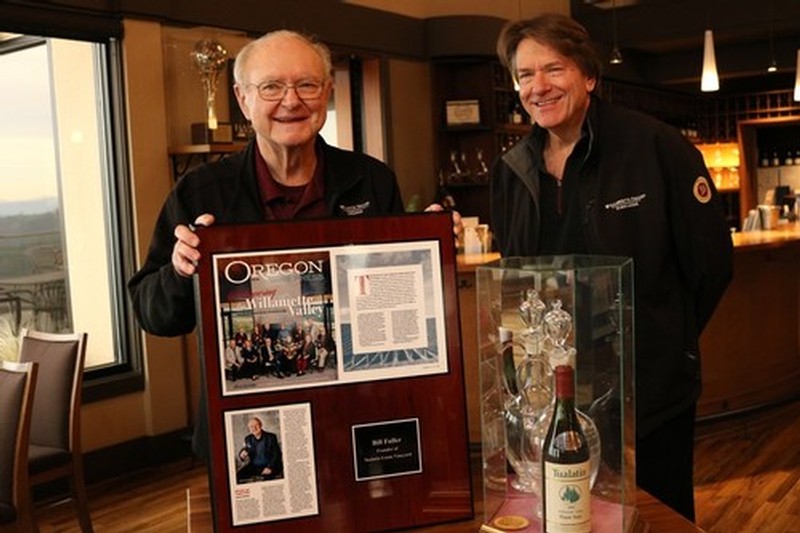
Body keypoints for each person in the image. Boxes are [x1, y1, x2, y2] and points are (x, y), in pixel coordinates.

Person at [127, 29, 457, 460]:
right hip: (248, 419)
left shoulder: (373, 180)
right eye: (271, 87)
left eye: (307, 85)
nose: (291, 101)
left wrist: (428, 254)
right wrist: (179, 270)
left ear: (328, 93)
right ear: (243, 99)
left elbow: (394, 306)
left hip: (359, 415)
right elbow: (153, 314)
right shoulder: (200, 193)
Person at [491, 14, 733, 522]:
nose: (538, 87)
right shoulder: (511, 170)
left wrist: (668, 342)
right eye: (525, 75)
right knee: (564, 519)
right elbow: (515, 283)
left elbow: (711, 266)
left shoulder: (656, 147)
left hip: (648, 398)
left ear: (589, 75)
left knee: (656, 519)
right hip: (551, 401)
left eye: (553, 69)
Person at [236, 416, 283, 483]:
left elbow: (277, 454)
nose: (254, 428)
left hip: (269, 465)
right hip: (254, 466)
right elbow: (245, 450)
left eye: (256, 425)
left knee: (266, 481)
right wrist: (241, 455)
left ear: (261, 425)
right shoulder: (248, 439)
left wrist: (270, 467)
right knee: (238, 476)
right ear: (249, 429)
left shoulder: (271, 437)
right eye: (251, 427)